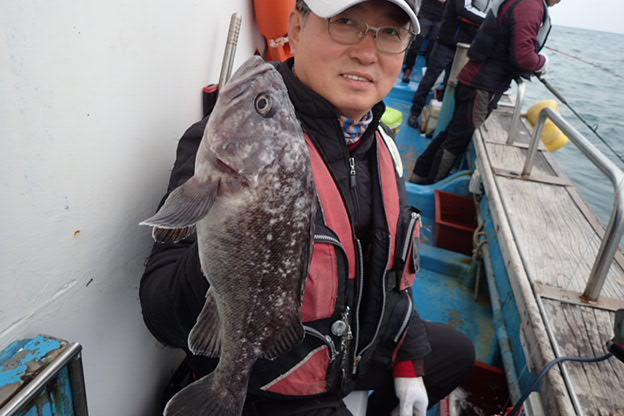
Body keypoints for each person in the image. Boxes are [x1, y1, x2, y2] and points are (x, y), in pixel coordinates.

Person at [140, 0, 475, 415]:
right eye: (345, 22)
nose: (367, 53)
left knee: (456, 352)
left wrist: (409, 360)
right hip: (276, 382)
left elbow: (391, 276)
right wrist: (241, 239)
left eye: (390, 33)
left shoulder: (382, 146)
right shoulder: (220, 147)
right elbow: (159, 313)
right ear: (296, 29)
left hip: (351, 351)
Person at [409, 0, 558, 184]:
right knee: (457, 139)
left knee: (453, 132)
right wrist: (542, 63)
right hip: (482, 85)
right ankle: (433, 183)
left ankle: (420, 173)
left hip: (476, 78)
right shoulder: (530, 5)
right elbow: (523, 56)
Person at [406, 0, 486, 128]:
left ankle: (441, 117)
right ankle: (415, 112)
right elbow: (463, 10)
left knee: (452, 84)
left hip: (463, 47)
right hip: (446, 44)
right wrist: (487, 20)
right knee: (429, 79)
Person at [401, 0, 447, 83]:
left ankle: (427, 75)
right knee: (416, 45)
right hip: (425, 14)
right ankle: (408, 69)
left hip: (440, 18)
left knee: (433, 48)